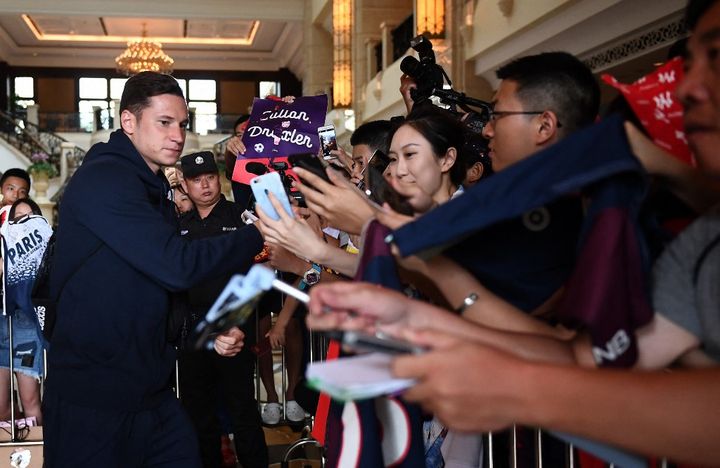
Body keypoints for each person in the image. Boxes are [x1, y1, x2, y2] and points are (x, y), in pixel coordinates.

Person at [307, 1, 720, 465]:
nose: (690, 87)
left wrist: (518, 388)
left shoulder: (596, 215)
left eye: (497, 117)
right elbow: (588, 358)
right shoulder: (702, 243)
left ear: (545, 124)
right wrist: (417, 318)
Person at [43, 71, 264, 468]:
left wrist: (209, 334)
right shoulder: (105, 179)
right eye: (164, 123)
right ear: (129, 122)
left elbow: (154, 295)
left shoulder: (151, 188)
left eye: (182, 124)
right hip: (93, 398)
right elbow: (176, 267)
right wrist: (258, 234)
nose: (177, 135)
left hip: (149, 392)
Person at [177, 151, 268, 468]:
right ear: (186, 186)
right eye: (196, 180)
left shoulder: (240, 217)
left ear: (220, 179)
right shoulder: (179, 227)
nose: (205, 185)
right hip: (192, 331)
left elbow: (260, 272)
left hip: (234, 329)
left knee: (242, 408)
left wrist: (236, 323)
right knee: (197, 413)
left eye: (210, 177)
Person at [0, 195, 45, 427]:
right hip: (1, 323)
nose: (23, 223)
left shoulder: (44, 247)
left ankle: (39, 458)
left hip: (26, 325)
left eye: (28, 217)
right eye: (17, 218)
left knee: (29, 401)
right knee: (1, 406)